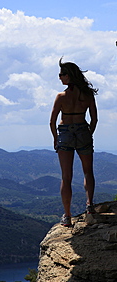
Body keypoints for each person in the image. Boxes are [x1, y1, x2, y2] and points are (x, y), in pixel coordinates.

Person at [50, 58, 98, 227]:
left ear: (69, 76)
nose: (59, 77)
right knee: (88, 171)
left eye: (62, 74)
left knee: (66, 176)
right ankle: (90, 206)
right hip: (83, 130)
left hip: (65, 133)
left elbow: (52, 121)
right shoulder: (87, 95)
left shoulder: (61, 96)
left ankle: (67, 216)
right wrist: (88, 133)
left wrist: (56, 139)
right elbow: (94, 119)